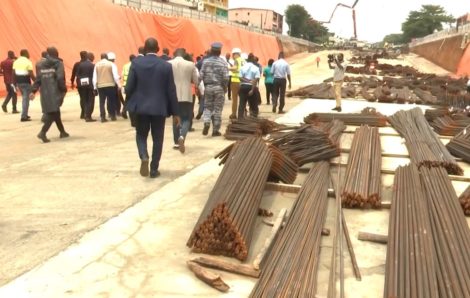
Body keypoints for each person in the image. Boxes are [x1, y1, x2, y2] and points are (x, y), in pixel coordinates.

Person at [126, 37, 180, 178]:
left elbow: (128, 87)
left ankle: (144, 156)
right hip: (159, 108)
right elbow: (171, 90)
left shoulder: (135, 64)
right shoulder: (166, 66)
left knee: (141, 135)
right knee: (158, 139)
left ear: (144, 48)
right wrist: (176, 113)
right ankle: (154, 169)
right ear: (157, 49)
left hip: (141, 108)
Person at [30, 47, 69, 143]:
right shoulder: (59, 63)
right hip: (55, 92)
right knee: (53, 113)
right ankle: (42, 132)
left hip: (45, 93)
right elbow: (60, 78)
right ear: (56, 53)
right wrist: (64, 89)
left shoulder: (41, 64)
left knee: (56, 112)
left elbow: (38, 79)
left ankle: (62, 132)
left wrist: (33, 91)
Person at [169, 48, 199, 153]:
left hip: (173, 95)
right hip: (186, 95)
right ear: (184, 54)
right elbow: (196, 81)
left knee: (175, 118)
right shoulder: (190, 64)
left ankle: (176, 142)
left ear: (174, 54)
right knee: (186, 118)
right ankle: (182, 136)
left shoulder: (168, 63)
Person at [200, 42, 229, 136]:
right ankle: (215, 130)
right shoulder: (223, 63)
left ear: (211, 51)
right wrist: (225, 88)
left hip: (208, 87)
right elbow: (226, 78)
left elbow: (201, 75)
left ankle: (207, 122)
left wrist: (198, 85)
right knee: (218, 109)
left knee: (208, 107)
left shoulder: (205, 62)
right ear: (220, 52)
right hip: (219, 87)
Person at [93, 52, 120, 122]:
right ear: (107, 57)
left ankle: (102, 117)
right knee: (111, 100)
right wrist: (119, 85)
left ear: (100, 57)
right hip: (110, 85)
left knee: (102, 102)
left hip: (101, 86)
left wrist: (94, 88)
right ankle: (113, 115)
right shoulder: (111, 64)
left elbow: (94, 78)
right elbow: (115, 76)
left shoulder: (97, 65)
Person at [13, 49, 36, 121]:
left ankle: (25, 114)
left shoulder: (16, 62)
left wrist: (14, 83)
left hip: (18, 82)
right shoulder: (28, 61)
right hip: (26, 82)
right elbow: (31, 73)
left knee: (25, 98)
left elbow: (13, 73)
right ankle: (23, 116)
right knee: (26, 99)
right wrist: (36, 81)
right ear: (25, 54)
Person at [238, 53, 260, 119]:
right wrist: (252, 89)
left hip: (243, 87)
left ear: (247, 60)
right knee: (253, 104)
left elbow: (240, 78)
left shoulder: (242, 67)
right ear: (253, 60)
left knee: (242, 103)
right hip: (251, 87)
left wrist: (247, 81)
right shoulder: (256, 68)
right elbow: (256, 79)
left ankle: (240, 118)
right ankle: (253, 117)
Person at [76, 51, 96, 122]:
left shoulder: (80, 65)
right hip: (90, 85)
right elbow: (94, 77)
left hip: (82, 85)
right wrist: (95, 87)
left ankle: (84, 114)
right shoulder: (92, 65)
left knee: (84, 99)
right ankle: (88, 116)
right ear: (90, 58)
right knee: (90, 100)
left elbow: (77, 76)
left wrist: (78, 85)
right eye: (93, 57)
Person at [70, 51, 88, 118]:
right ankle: (86, 112)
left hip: (79, 83)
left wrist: (72, 83)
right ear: (86, 55)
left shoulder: (77, 64)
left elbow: (73, 74)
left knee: (82, 98)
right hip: (88, 83)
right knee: (87, 98)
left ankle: (83, 112)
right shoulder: (88, 64)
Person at [228, 48, 243, 119]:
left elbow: (235, 68)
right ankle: (242, 113)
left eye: (233, 55)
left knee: (235, 99)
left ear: (236, 54)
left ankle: (234, 114)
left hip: (235, 81)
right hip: (243, 82)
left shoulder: (237, 60)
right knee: (243, 99)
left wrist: (228, 68)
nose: (232, 56)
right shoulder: (244, 61)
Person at [121, 54, 135, 121]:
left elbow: (122, 75)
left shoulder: (125, 65)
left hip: (125, 84)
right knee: (130, 99)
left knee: (127, 98)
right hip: (132, 85)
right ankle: (127, 111)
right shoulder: (135, 65)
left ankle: (124, 111)